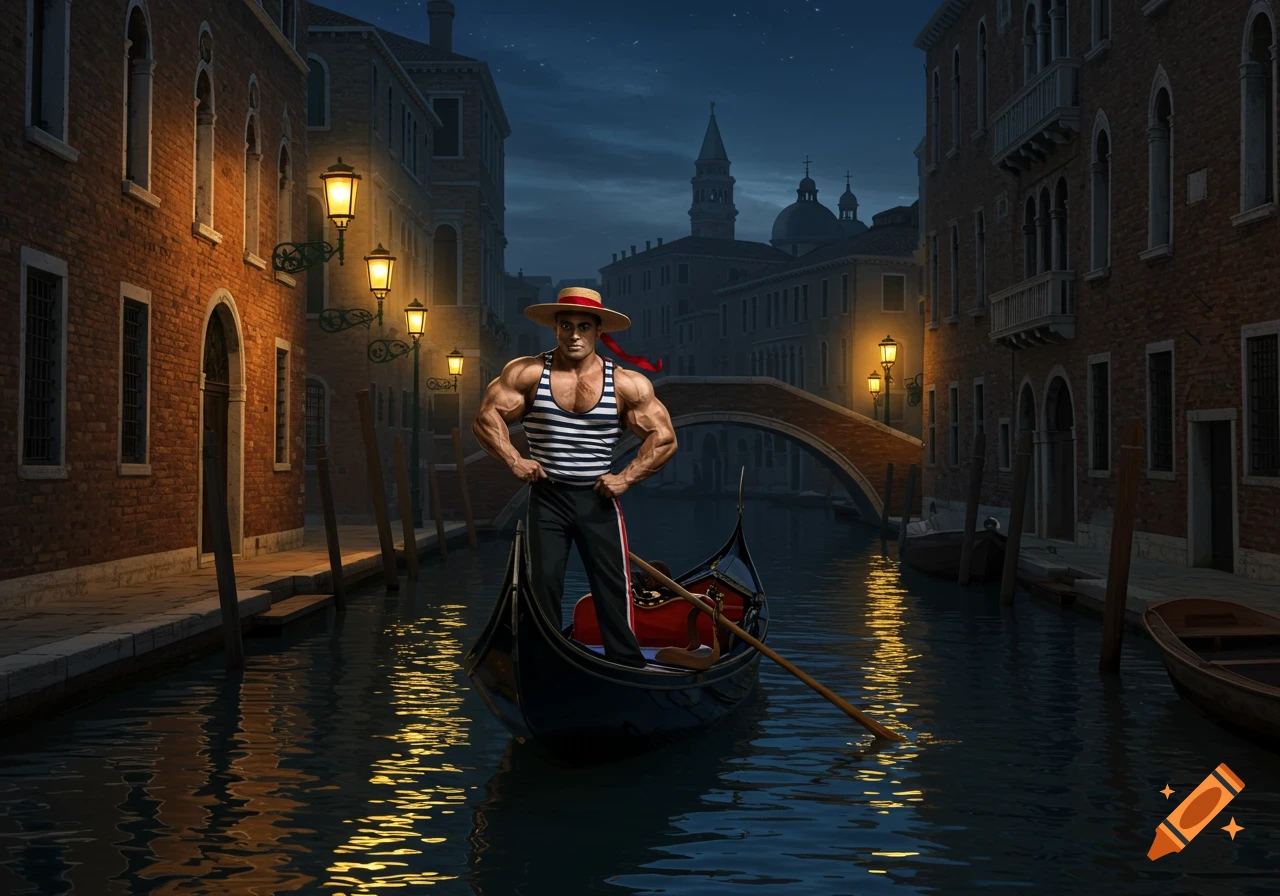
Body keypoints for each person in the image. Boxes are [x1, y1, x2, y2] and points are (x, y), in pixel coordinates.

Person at [472, 287, 677, 668]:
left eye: (584, 326)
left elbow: (664, 439)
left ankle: (626, 667)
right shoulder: (528, 373)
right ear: (556, 329)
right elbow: (486, 418)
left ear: (599, 332)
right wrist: (514, 459)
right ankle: (542, 663)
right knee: (543, 587)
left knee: (612, 591)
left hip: (598, 499)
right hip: (547, 498)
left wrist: (626, 478)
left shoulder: (626, 384)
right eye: (566, 325)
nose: (575, 334)